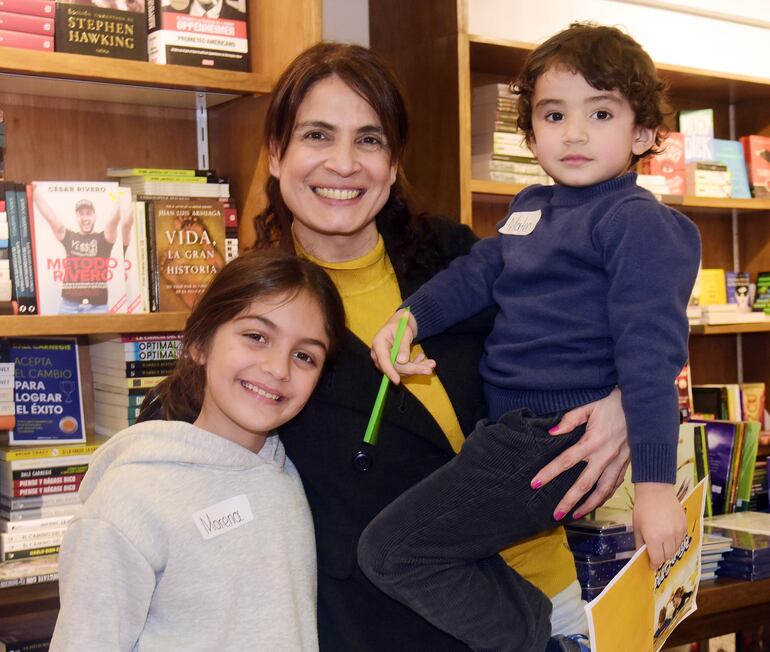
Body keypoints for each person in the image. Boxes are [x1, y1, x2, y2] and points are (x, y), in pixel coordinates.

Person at [140, 41, 631, 651]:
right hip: (378, 625)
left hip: (541, 600)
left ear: (394, 163)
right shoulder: (256, 309)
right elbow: (173, 437)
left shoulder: (461, 262)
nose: (343, 164)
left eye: (369, 140)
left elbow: (626, 319)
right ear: (275, 154)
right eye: (317, 136)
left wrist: (624, 404)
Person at [360, 22, 701, 652]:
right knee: (430, 545)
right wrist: (409, 318)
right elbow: (478, 272)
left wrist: (655, 489)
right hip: (509, 432)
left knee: (391, 552)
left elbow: (650, 359)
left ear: (646, 134)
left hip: (551, 439)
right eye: (553, 114)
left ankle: (539, 640)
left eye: (600, 112)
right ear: (531, 132)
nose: (573, 132)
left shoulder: (639, 222)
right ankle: (548, 629)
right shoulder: (531, 209)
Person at [50, 250, 346, 651]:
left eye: (304, 356)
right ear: (199, 343)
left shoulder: (293, 473)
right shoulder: (130, 499)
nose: (279, 368)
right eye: (256, 337)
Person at [32, 184, 132, 314]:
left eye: (89, 214)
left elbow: (113, 221)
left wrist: (123, 196)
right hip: (68, 306)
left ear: (94, 216)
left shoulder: (105, 238)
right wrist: (34, 190)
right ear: (76, 216)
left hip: (98, 308)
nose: (85, 218)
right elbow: (50, 217)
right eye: (81, 214)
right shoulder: (69, 237)